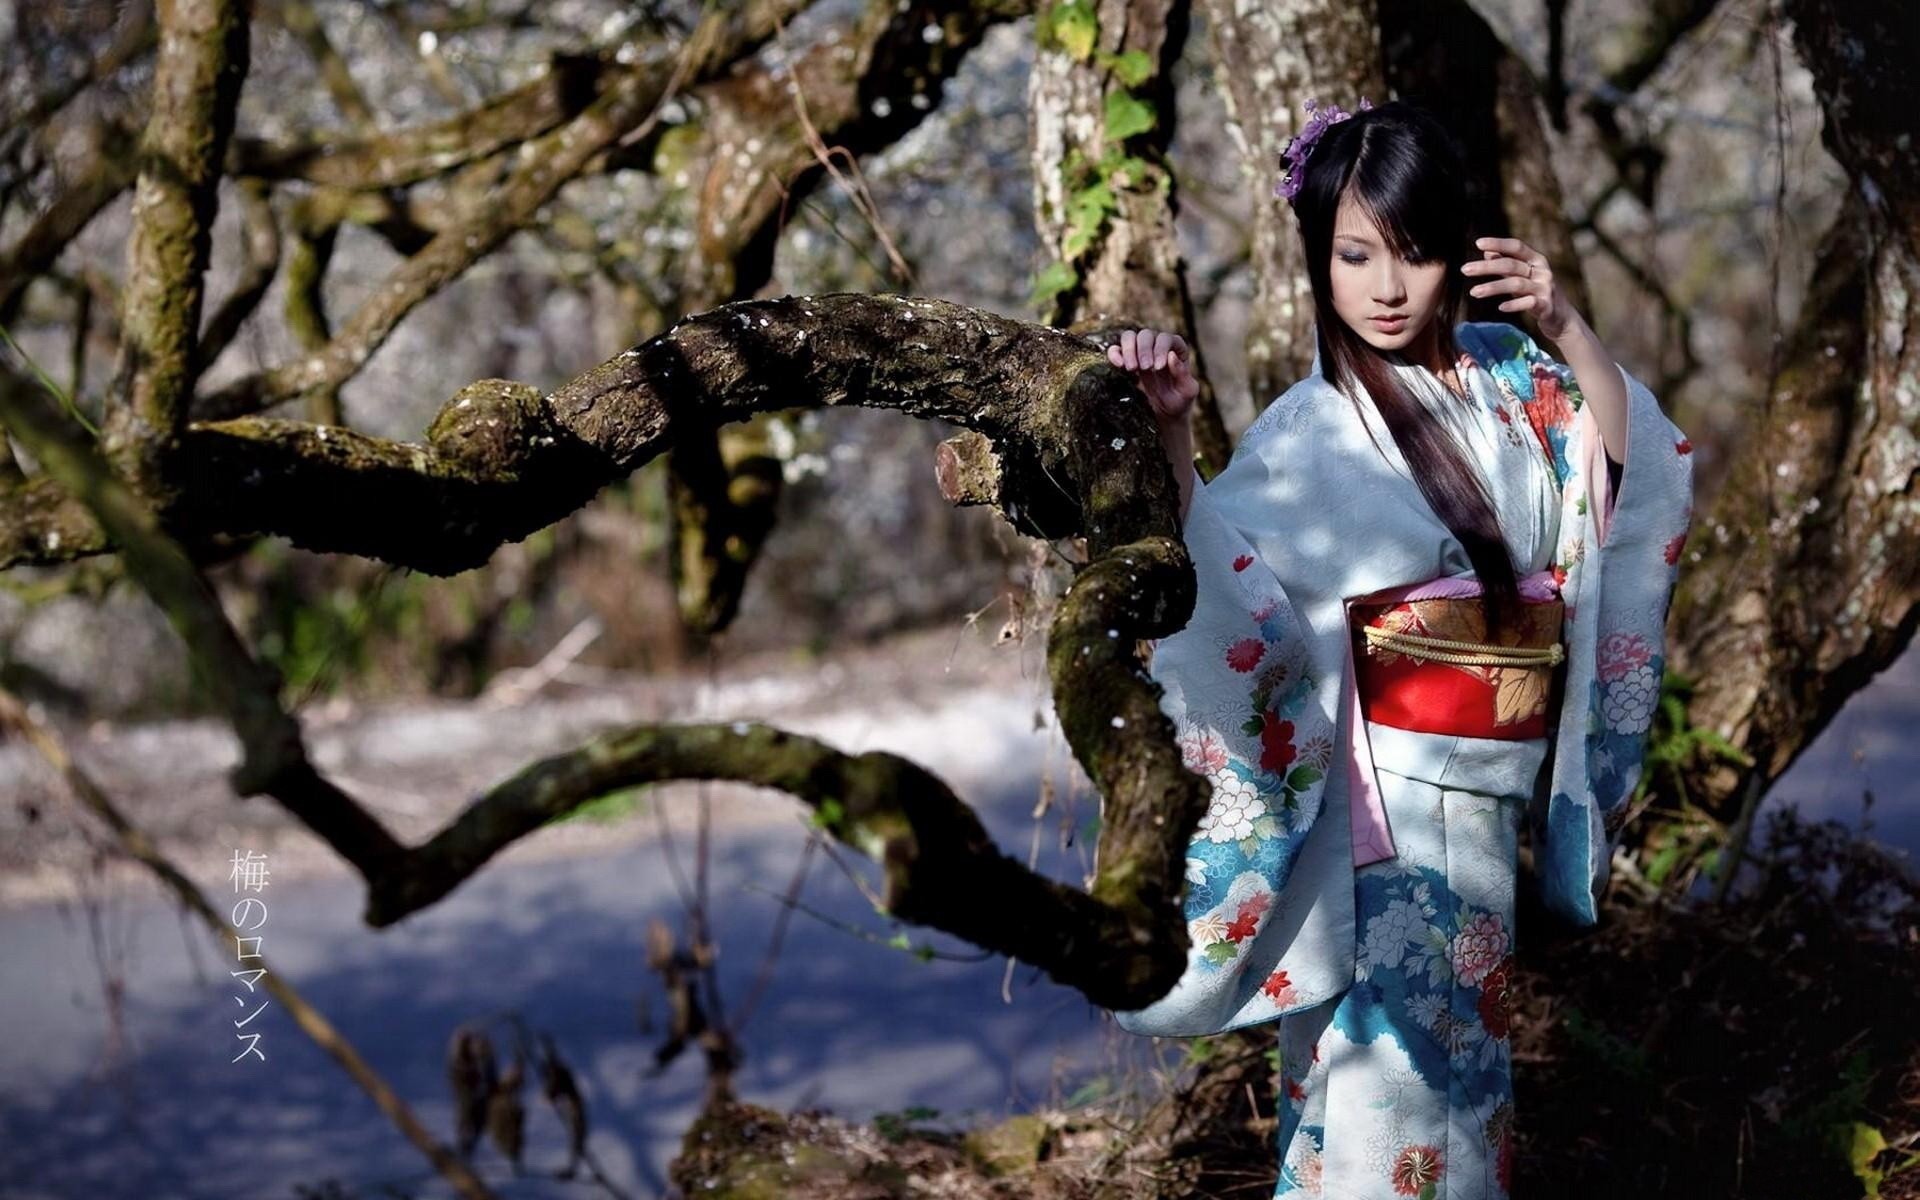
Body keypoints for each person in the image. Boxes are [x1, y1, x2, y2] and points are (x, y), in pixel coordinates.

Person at [1099, 98, 1694, 1198]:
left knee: (1461, 1111)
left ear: (1457, 250)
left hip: (1481, 813)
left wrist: (1566, 322)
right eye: (1354, 254)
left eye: (1413, 253)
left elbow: (1632, 473)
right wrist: (1175, 436)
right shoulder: (1306, 434)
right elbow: (1226, 600)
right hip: (1380, 835)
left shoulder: (1518, 377)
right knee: (1380, 1114)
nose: (1384, 286)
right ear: (1317, 260)